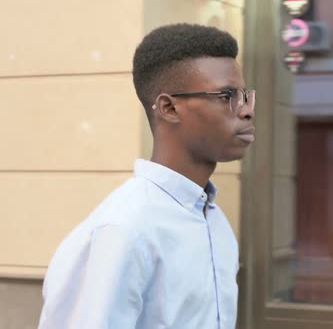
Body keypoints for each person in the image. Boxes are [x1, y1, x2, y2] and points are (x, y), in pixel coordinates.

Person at [38, 23, 255, 329]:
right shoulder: (124, 230)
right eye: (226, 96)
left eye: (245, 96)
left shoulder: (214, 222)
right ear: (168, 107)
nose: (246, 111)